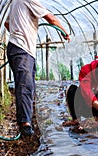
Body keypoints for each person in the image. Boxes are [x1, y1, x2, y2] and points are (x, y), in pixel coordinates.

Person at [4, 0, 70, 136]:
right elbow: (50, 18)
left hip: (18, 48)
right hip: (22, 48)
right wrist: (64, 32)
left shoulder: (16, 2)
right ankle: (25, 124)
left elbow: (7, 23)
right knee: (25, 85)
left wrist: (21, 29)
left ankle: (26, 119)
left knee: (28, 85)